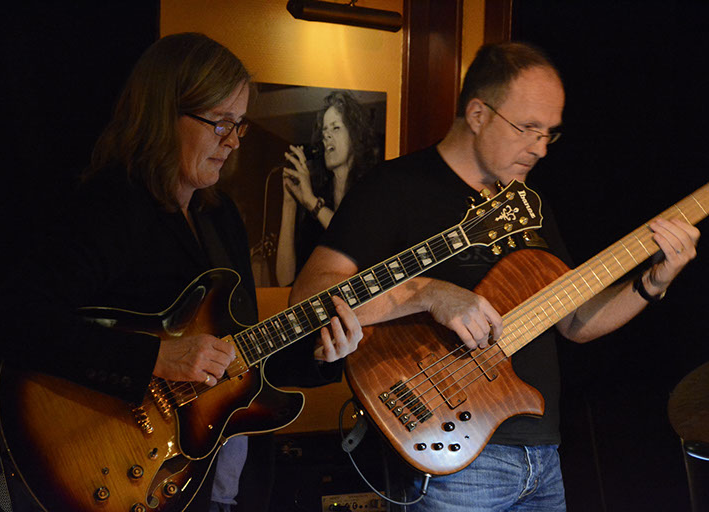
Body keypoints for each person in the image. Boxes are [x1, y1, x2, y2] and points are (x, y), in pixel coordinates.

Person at [289, 41, 700, 511]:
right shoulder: (393, 188)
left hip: (542, 455)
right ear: (478, 113)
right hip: (454, 460)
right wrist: (431, 293)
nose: (540, 148)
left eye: (549, 133)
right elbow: (310, 296)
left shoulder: (527, 203)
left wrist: (653, 282)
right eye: (528, 128)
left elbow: (574, 320)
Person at [0, 33, 363, 512]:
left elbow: (241, 359)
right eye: (220, 123)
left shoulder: (221, 216)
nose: (232, 141)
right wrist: (155, 356)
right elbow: (19, 321)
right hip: (122, 459)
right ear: (163, 113)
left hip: (217, 480)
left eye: (240, 125)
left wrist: (322, 351)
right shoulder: (109, 208)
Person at [275, 90, 379, 286]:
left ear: (355, 136)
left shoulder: (369, 191)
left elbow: (355, 243)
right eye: (324, 131)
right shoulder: (318, 195)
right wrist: (289, 203)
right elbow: (285, 280)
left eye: (336, 128)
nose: (327, 136)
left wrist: (312, 204)